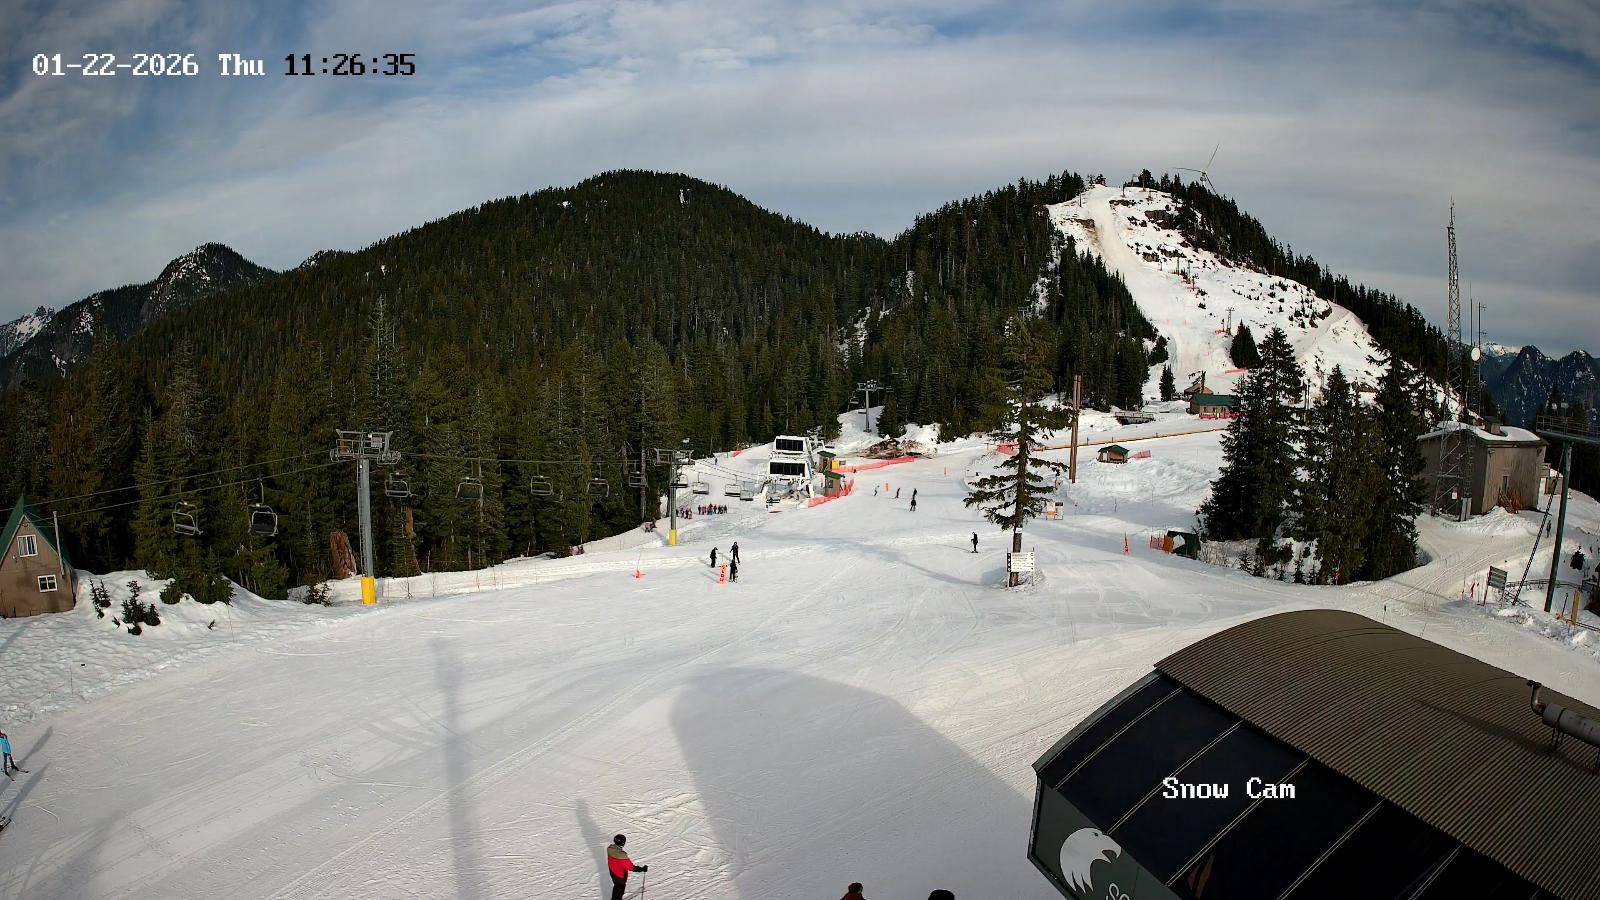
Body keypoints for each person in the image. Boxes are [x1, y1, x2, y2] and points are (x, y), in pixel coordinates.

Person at [606, 834, 647, 900]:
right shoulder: (621, 855)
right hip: (620, 876)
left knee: (616, 887)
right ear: (623, 843)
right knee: (619, 889)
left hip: (613, 873)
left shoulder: (610, 849)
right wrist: (642, 869)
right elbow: (631, 867)